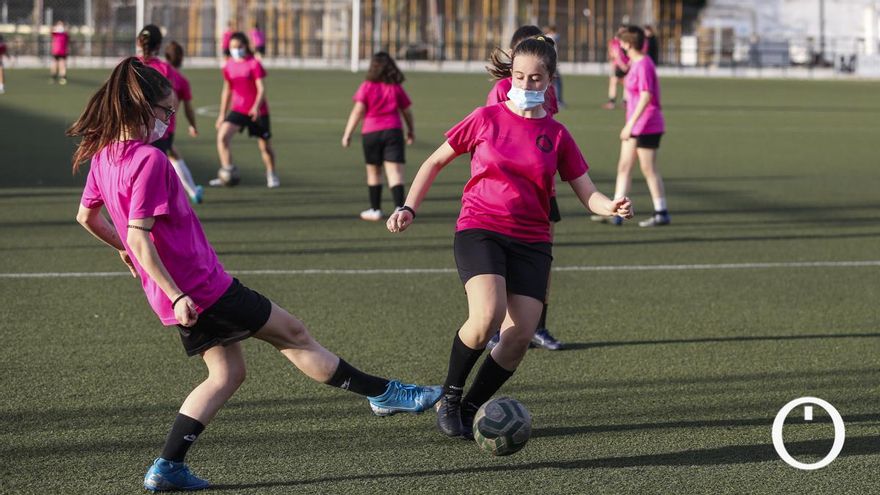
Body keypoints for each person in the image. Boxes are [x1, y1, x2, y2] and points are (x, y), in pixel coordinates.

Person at [68, 57, 442, 492]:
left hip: (182, 292)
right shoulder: (149, 160)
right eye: (165, 112)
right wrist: (172, 290)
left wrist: (133, 260)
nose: (168, 121)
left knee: (226, 374)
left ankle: (167, 466)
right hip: (201, 288)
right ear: (141, 108)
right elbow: (138, 236)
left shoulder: (105, 156)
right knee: (294, 335)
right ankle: (384, 393)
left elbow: (87, 218)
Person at [386, 36, 632, 440]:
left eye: (536, 78)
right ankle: (450, 396)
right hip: (481, 227)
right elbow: (434, 161)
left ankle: (469, 408)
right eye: (519, 76)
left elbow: (587, 192)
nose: (526, 84)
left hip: (532, 241)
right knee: (486, 317)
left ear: (550, 81)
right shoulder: (486, 118)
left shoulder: (557, 135)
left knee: (518, 336)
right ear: (510, 76)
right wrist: (408, 207)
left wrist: (612, 206)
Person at [484, 25, 563, 351]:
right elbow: (486, 141)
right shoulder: (501, 91)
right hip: (506, 195)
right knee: (503, 262)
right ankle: (500, 327)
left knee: (542, 260)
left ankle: (538, 327)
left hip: (543, 191)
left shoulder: (548, 93)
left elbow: (548, 135)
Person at [600, 25, 669, 227]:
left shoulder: (645, 64)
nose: (619, 44)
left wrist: (630, 124)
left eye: (621, 41)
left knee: (648, 168)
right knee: (624, 166)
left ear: (629, 43)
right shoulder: (634, 63)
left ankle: (661, 211)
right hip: (635, 125)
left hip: (648, 124)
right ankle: (616, 212)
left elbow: (647, 95)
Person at [341, 52, 414, 221]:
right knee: (395, 172)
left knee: (374, 172)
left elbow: (358, 111)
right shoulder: (395, 87)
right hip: (393, 131)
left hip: (371, 133)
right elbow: (407, 112)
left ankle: (375, 209)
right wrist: (410, 130)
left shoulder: (366, 86)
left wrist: (347, 133)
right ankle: (399, 208)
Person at [136, 25, 203, 204]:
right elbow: (171, 101)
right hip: (160, 131)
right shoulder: (167, 72)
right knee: (155, 176)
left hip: (131, 129)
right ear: (159, 45)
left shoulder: (129, 65)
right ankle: (186, 196)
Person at [212, 32, 279, 188]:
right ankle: (227, 173)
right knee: (222, 137)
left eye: (239, 46)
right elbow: (227, 90)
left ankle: (271, 173)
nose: (236, 50)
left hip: (258, 111)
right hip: (238, 110)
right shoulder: (228, 65)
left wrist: (256, 107)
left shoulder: (254, 64)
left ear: (245, 46)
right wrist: (222, 115)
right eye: (233, 47)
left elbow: (261, 89)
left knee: (265, 147)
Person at [164, 40, 205, 204]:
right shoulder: (181, 80)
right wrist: (193, 125)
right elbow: (188, 109)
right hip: (167, 127)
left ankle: (193, 191)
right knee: (168, 156)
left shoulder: (156, 72)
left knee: (171, 154)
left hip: (150, 124)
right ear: (181, 58)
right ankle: (192, 192)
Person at [603, 26, 628, 110]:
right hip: (620, 66)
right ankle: (618, 102)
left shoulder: (620, 42)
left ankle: (616, 102)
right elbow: (614, 55)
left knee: (623, 83)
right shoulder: (615, 42)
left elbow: (616, 56)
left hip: (624, 65)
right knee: (616, 82)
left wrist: (625, 65)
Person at [543, 25, 565, 108]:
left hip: (547, 63)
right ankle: (558, 101)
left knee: (550, 83)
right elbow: (557, 36)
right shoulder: (551, 37)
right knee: (557, 82)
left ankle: (552, 100)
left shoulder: (545, 37)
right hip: (552, 63)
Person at [50, 20, 70, 85]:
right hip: (56, 51)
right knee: (55, 64)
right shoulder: (55, 33)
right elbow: (51, 31)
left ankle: (63, 78)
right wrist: (55, 28)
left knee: (62, 64)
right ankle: (54, 77)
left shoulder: (65, 34)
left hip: (63, 51)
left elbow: (68, 35)